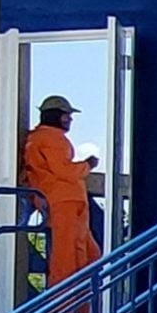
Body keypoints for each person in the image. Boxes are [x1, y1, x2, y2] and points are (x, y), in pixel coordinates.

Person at [21, 94, 102, 294]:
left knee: (86, 254)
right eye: (66, 115)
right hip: (63, 200)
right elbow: (63, 170)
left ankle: (78, 308)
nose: (70, 120)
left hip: (66, 200)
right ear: (55, 115)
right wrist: (87, 165)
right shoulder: (51, 139)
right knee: (67, 257)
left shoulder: (40, 138)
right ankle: (64, 310)